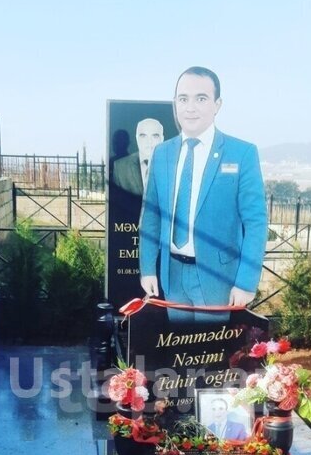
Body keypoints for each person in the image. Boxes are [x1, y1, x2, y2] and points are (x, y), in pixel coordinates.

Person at [138, 66, 268, 324]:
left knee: (214, 349)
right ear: (175, 104)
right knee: (179, 347)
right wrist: (148, 269)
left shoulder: (242, 153)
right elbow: (151, 216)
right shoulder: (162, 154)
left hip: (218, 279)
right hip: (172, 276)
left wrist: (246, 282)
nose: (190, 108)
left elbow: (256, 223)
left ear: (217, 105)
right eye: (183, 99)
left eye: (201, 98)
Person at [111, 118, 164, 196]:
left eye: (155, 136)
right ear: (137, 138)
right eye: (143, 136)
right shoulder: (120, 167)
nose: (149, 141)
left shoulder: (174, 166)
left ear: (162, 139)